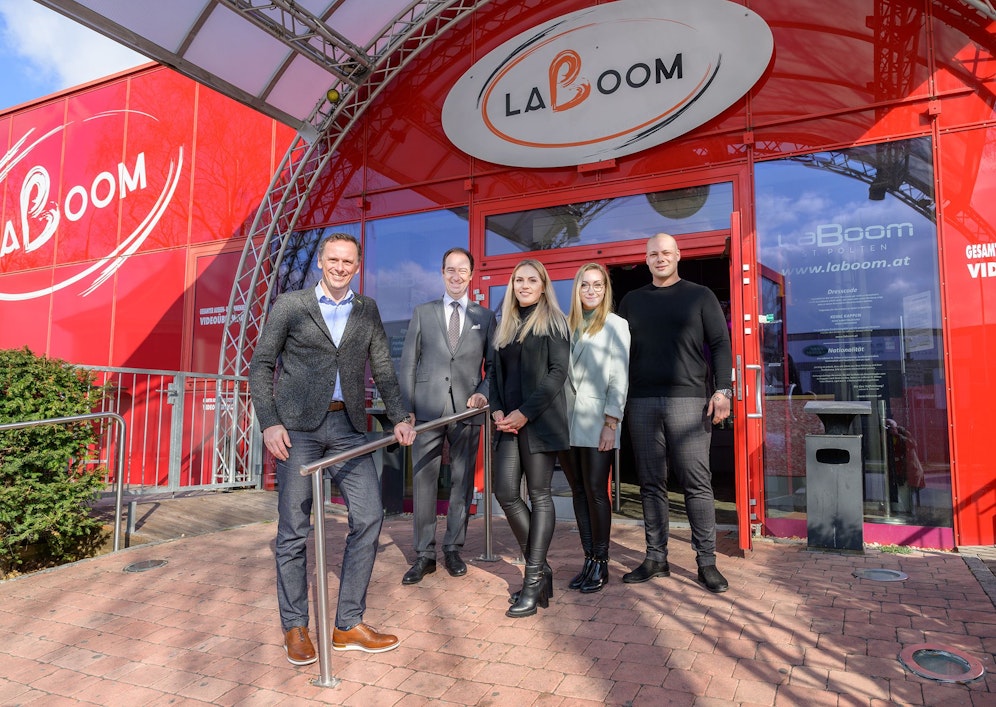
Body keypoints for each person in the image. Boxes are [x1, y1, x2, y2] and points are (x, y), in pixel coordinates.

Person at [248, 232, 417, 665]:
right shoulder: (291, 305)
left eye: (349, 262)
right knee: (293, 528)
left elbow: (381, 364)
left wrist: (399, 415)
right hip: (297, 430)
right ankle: (296, 627)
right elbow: (262, 364)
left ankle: (347, 625)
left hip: (348, 425)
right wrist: (269, 423)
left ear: (357, 267)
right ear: (322, 262)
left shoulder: (367, 310)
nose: (341, 267)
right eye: (334, 260)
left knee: (369, 516)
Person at [617, 233, 733, 593]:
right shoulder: (632, 301)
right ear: (646, 259)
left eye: (666, 252)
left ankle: (706, 562)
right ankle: (656, 558)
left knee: (696, 483)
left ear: (678, 256)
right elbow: (616, 352)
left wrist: (723, 389)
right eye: (653, 253)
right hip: (641, 401)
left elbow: (720, 344)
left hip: (689, 399)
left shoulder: (700, 295)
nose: (660, 258)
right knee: (651, 483)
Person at [399, 247, 496, 584]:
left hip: (466, 411)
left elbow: (493, 368)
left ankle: (453, 547)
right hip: (427, 410)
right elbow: (409, 362)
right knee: (424, 482)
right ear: (442, 273)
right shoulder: (423, 313)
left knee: (462, 481)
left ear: (471, 275)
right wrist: (405, 408)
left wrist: (483, 391)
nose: (456, 276)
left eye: (462, 270)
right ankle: (424, 554)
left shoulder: (484, 317)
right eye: (450, 270)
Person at [491, 259, 570, 617]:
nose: (524, 285)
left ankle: (533, 576)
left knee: (539, 496)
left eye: (531, 280)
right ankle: (542, 570)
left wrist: (525, 412)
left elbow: (557, 374)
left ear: (542, 285)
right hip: (508, 422)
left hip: (539, 421)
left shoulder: (553, 321)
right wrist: (496, 410)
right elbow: (494, 373)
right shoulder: (505, 323)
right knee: (505, 491)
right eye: (518, 280)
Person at [559, 263, 630, 594]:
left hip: (598, 421)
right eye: (585, 285)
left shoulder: (616, 325)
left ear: (605, 290)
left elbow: (619, 376)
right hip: (567, 423)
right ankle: (588, 558)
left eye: (598, 285)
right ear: (577, 289)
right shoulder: (565, 325)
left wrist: (611, 423)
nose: (591, 291)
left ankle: (601, 563)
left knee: (596, 492)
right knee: (577, 492)